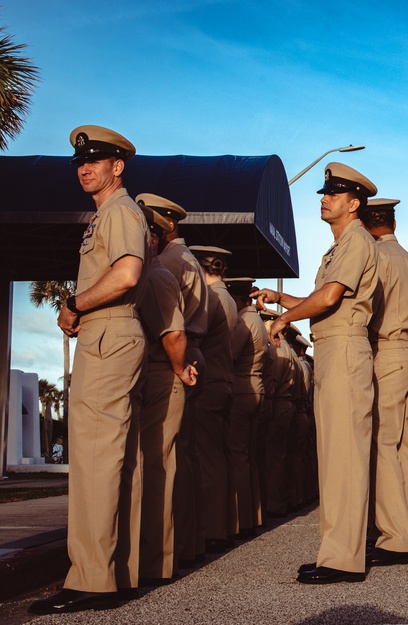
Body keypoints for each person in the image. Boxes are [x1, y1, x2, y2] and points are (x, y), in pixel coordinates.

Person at [31, 125, 149, 615]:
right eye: (80, 161)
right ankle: (114, 573)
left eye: (96, 160)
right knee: (114, 461)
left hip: (108, 334)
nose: (85, 167)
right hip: (110, 335)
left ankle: (92, 581)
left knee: (96, 460)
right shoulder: (108, 214)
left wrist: (75, 302)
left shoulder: (119, 211)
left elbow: (126, 274)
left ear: (116, 167)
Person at [251, 162, 378, 584]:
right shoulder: (340, 246)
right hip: (333, 350)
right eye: (324, 194)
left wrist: (283, 320)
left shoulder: (356, 240)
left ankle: (343, 558)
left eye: (333, 194)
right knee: (334, 457)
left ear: (354, 203)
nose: (323, 199)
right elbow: (319, 297)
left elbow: (327, 298)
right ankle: (336, 552)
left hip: (344, 350)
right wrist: (281, 297)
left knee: (344, 457)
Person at [135, 198, 199, 585]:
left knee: (156, 467)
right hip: (171, 363)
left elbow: (173, 331)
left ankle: (155, 561)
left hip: (165, 366)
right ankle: (165, 556)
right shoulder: (185, 262)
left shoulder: (165, 267)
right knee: (169, 464)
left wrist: (177, 366)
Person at [362, 197, 408, 566]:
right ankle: (407, 532)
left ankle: (394, 537)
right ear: (393, 224)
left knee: (384, 445)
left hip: (386, 351)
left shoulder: (377, 258)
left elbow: (367, 311)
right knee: (403, 448)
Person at [189, 246, 238, 554]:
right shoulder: (229, 298)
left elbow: (196, 334)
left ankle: (212, 528)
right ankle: (219, 526)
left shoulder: (213, 297)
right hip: (224, 378)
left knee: (206, 459)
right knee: (217, 457)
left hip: (211, 380)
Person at [225, 277, 269, 539]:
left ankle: (241, 519)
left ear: (238, 299)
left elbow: (231, 354)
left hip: (243, 387)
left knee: (237, 456)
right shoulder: (257, 322)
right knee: (248, 457)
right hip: (255, 387)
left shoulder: (244, 321)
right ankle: (253, 515)